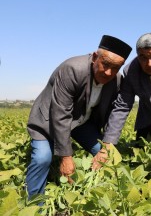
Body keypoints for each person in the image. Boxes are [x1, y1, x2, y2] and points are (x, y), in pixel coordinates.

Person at [26, 35, 132, 199]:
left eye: (116, 68)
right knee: (42, 158)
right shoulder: (73, 69)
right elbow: (60, 114)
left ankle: (96, 195)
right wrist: (66, 157)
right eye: (106, 64)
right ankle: (34, 203)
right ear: (95, 57)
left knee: (108, 157)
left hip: (81, 121)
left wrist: (107, 146)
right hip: (49, 121)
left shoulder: (116, 80)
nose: (109, 72)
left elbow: (115, 112)